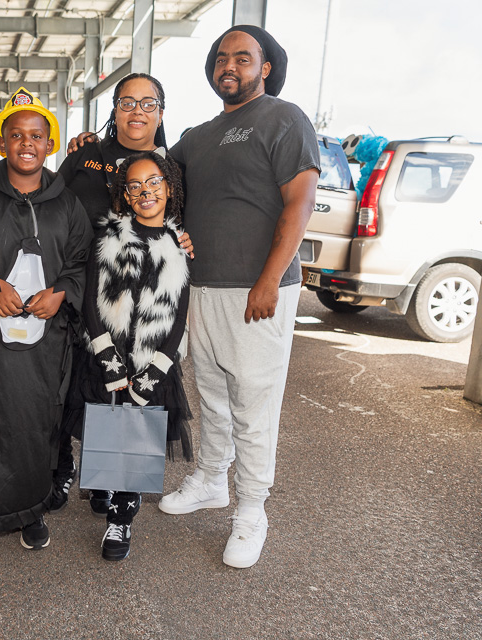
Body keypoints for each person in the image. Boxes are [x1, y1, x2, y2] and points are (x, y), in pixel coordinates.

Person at [158, 25, 320, 569]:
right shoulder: (198, 135)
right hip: (202, 288)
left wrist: (270, 278)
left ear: (266, 66)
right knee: (212, 394)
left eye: (243, 58)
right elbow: (150, 172)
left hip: (259, 292)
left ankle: (252, 510)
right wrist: (96, 147)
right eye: (222, 58)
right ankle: (210, 479)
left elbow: (299, 203)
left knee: (254, 405)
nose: (230, 66)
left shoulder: (284, 118)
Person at [0, 87, 92, 552]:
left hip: (48, 338)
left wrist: (63, 292)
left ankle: (32, 509)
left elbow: (82, 260)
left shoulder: (68, 204)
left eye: (36, 135)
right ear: (1, 143)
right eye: (15, 135)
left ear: (49, 144)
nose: (26, 143)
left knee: (37, 421)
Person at [54, 72, 194, 517]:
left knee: (116, 388)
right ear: (113, 109)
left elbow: (174, 229)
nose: (137, 111)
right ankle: (62, 470)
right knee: (66, 390)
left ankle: (112, 485)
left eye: (148, 103)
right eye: (127, 102)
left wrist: (184, 242)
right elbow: (50, 202)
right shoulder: (84, 155)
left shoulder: (170, 167)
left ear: (161, 111)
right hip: (70, 287)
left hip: (129, 304)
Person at [78, 150, 192, 561]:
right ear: (125, 194)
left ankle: (121, 516)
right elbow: (91, 301)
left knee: (137, 434)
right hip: (108, 356)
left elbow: (178, 317)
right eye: (135, 185)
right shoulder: (108, 239)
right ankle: (104, 483)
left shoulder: (179, 246)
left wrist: (155, 372)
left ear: (169, 188)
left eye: (154, 183)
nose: (146, 192)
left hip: (152, 362)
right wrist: (106, 355)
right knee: (107, 419)